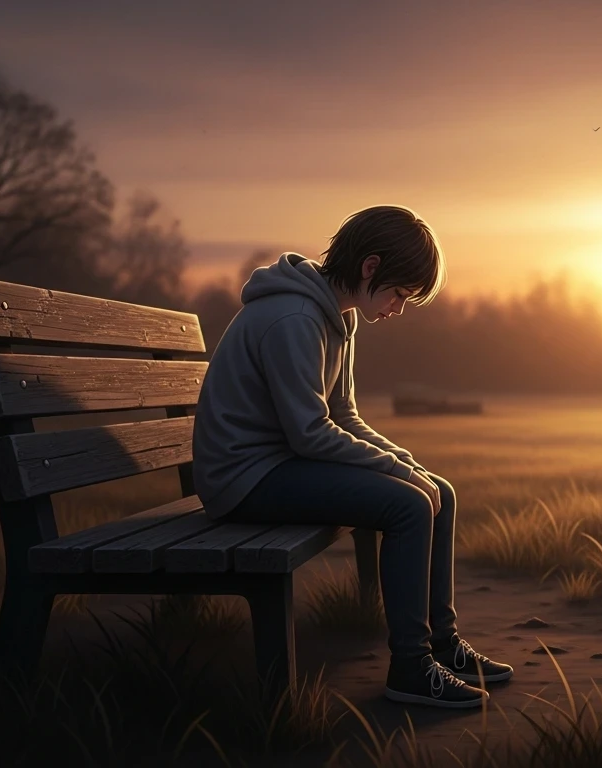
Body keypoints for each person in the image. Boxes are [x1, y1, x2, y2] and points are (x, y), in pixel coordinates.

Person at [191, 204, 512, 709]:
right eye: (399, 293)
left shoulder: (337, 315)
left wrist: (408, 465)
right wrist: (401, 476)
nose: (397, 308)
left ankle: (442, 645)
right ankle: (410, 667)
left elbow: (345, 414)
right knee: (407, 505)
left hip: (281, 464)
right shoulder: (294, 319)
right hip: (244, 478)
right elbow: (310, 433)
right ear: (370, 267)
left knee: (438, 492)